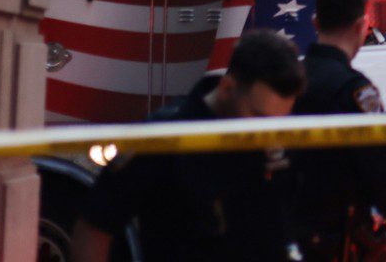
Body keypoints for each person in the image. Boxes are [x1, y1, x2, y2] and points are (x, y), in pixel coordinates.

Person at [72, 30, 306, 262]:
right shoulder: (162, 139)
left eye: (278, 122)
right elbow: (95, 227)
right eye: (258, 117)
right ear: (227, 89)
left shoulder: (274, 136)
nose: (266, 134)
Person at [290, 0, 386, 261]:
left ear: (315, 22)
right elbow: (379, 172)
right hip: (337, 242)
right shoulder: (354, 91)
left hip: (286, 234)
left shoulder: (286, 80)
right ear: (361, 27)